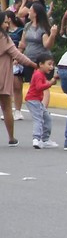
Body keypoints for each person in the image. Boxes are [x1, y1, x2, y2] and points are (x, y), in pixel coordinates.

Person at [0, 14, 30, 144]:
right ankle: (11, 138)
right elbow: (18, 55)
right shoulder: (4, 38)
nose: (7, 25)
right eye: (5, 22)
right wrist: (34, 65)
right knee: (7, 108)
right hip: (2, 78)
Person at [24, 51, 56, 147]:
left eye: (52, 65)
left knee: (47, 118)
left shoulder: (40, 74)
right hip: (33, 100)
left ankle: (45, 139)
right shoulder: (38, 74)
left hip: (36, 100)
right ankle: (36, 139)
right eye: (49, 64)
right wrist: (50, 83)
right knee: (39, 119)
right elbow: (39, 87)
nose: (51, 67)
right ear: (41, 64)